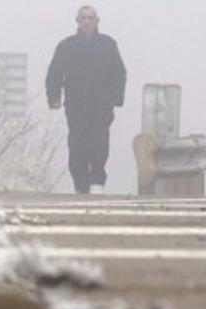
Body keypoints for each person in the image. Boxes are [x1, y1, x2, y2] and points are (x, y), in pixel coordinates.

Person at [46, 5, 126, 194]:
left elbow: (119, 73)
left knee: (99, 143)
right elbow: (54, 74)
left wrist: (117, 97)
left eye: (90, 18)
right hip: (76, 106)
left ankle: (97, 180)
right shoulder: (66, 46)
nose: (87, 21)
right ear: (77, 21)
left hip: (101, 106)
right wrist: (54, 98)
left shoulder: (108, 45)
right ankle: (80, 183)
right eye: (83, 18)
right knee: (77, 146)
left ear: (97, 21)